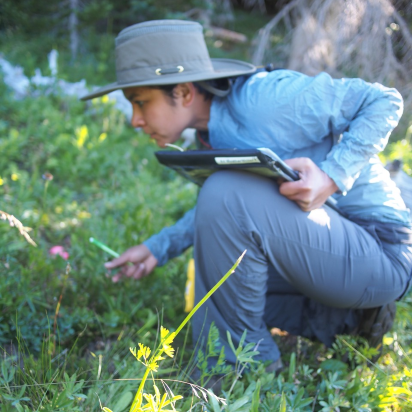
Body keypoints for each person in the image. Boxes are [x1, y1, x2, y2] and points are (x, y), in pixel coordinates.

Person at [81, 20, 412, 372]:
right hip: (331, 250)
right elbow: (233, 217)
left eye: (141, 102)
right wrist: (158, 247)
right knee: (211, 286)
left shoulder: (264, 100)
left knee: (224, 194)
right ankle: (346, 321)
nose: (135, 119)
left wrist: (333, 174)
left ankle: (239, 375)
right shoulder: (210, 133)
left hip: (381, 249)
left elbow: (383, 101)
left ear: (183, 92)